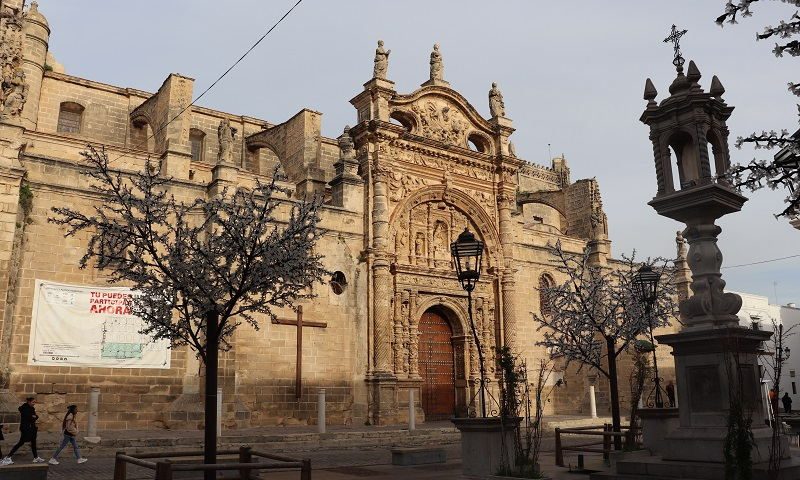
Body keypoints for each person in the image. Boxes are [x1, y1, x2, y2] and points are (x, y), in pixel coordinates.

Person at [2, 397, 44, 464]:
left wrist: (34, 417)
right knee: (21, 442)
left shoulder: (31, 408)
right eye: (33, 402)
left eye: (34, 402)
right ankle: (8, 457)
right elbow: (30, 418)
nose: (34, 404)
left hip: (32, 428)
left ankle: (36, 458)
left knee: (33, 443)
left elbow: (35, 416)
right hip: (26, 429)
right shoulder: (25, 409)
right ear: (29, 402)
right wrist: (34, 417)